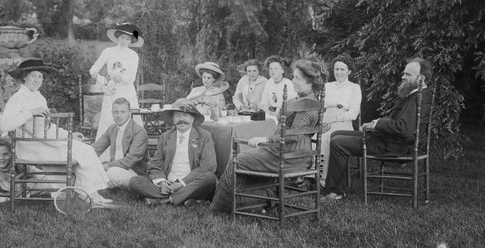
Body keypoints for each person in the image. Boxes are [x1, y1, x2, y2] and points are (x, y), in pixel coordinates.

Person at [211, 59, 327, 213]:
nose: (292, 80)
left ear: (310, 83)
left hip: (289, 156)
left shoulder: (304, 105)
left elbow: (293, 136)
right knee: (245, 158)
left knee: (237, 161)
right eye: (293, 76)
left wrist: (265, 139)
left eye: (297, 78)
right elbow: (302, 131)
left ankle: (218, 208)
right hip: (290, 152)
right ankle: (258, 202)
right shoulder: (308, 101)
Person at [0, 57, 112, 205]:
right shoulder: (18, 98)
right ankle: (89, 194)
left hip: (44, 142)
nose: (37, 80)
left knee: (86, 150)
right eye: (33, 75)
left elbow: (47, 127)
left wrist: (69, 135)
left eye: (40, 76)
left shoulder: (39, 97)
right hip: (29, 146)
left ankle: (89, 193)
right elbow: (4, 125)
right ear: (24, 77)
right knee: (85, 152)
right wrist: (30, 112)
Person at [321, 57, 433, 201]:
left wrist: (378, 123)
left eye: (408, 74)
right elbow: (400, 123)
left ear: (421, 78)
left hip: (394, 146)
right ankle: (337, 185)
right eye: (404, 73)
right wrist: (375, 123)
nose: (402, 76)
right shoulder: (415, 95)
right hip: (390, 139)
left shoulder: (418, 98)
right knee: (336, 134)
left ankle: (335, 192)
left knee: (338, 142)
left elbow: (404, 128)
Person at [129, 103, 217, 207]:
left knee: (210, 178)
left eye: (186, 115)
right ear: (173, 119)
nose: (181, 119)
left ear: (193, 119)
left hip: (190, 183)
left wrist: (181, 184)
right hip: (168, 182)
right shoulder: (165, 137)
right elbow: (154, 164)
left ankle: (164, 200)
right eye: (177, 115)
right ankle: (182, 198)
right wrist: (162, 183)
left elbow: (208, 165)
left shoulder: (204, 136)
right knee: (135, 181)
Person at [89, 23, 144, 146]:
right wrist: (100, 79)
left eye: (128, 38)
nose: (124, 41)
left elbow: (131, 78)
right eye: (122, 37)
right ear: (118, 37)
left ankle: (131, 152)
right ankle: (106, 153)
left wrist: (121, 78)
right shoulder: (108, 52)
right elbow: (93, 69)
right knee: (110, 120)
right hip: (112, 91)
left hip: (127, 91)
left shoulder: (133, 55)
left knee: (128, 118)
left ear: (132, 40)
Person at [320, 54, 362, 186]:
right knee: (314, 136)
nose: (339, 72)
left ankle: (324, 179)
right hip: (326, 120)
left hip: (343, 124)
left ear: (349, 71)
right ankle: (310, 176)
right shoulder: (327, 86)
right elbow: (320, 106)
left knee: (327, 138)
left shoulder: (354, 88)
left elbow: (353, 114)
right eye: (336, 69)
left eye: (342, 69)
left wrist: (336, 118)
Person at [91, 97, 149, 189]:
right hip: (115, 167)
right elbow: (97, 148)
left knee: (110, 174)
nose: (118, 115)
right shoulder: (112, 128)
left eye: (123, 112)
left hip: (134, 171)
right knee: (91, 169)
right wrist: (83, 158)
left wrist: (106, 166)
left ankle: (104, 184)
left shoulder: (139, 131)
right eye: (116, 112)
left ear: (129, 113)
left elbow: (130, 160)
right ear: (112, 113)